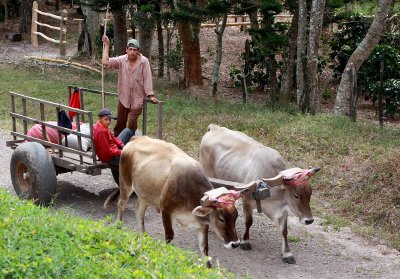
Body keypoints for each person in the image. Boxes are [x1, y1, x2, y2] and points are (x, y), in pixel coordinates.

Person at [102, 35, 158, 137]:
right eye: (130, 49)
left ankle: (130, 142)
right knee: (120, 123)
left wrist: (150, 95)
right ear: (126, 50)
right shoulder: (122, 60)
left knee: (132, 123)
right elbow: (105, 62)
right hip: (123, 97)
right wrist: (107, 45)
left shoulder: (144, 62)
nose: (132, 52)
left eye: (135, 50)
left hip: (137, 99)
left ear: (138, 51)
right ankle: (117, 142)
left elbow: (147, 78)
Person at [93, 108, 134, 185]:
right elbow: (107, 152)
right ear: (100, 119)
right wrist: (122, 151)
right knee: (133, 159)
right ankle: (129, 182)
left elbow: (113, 138)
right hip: (110, 157)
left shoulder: (102, 126)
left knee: (127, 131)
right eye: (106, 119)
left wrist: (121, 145)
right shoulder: (101, 131)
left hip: (113, 149)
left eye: (109, 120)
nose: (108, 122)